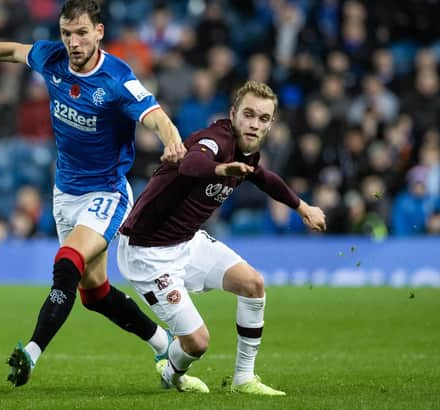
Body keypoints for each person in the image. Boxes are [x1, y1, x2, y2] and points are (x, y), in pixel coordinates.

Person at [0, 0, 208, 391]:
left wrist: (173, 142)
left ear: (99, 33)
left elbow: (156, 116)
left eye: (82, 33)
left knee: (67, 262)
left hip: (106, 193)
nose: (73, 42)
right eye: (67, 33)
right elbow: (11, 50)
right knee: (95, 294)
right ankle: (164, 344)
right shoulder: (51, 58)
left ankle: (32, 352)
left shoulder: (117, 79)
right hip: (65, 193)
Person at [117, 80, 327, 394]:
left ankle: (244, 379)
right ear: (233, 114)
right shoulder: (215, 140)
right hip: (147, 252)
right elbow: (191, 163)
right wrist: (221, 170)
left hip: (187, 241)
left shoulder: (248, 154)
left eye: (264, 119)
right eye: (249, 115)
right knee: (197, 344)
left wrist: (302, 207)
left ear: (271, 124)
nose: (255, 124)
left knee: (253, 284)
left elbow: (264, 179)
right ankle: (171, 373)